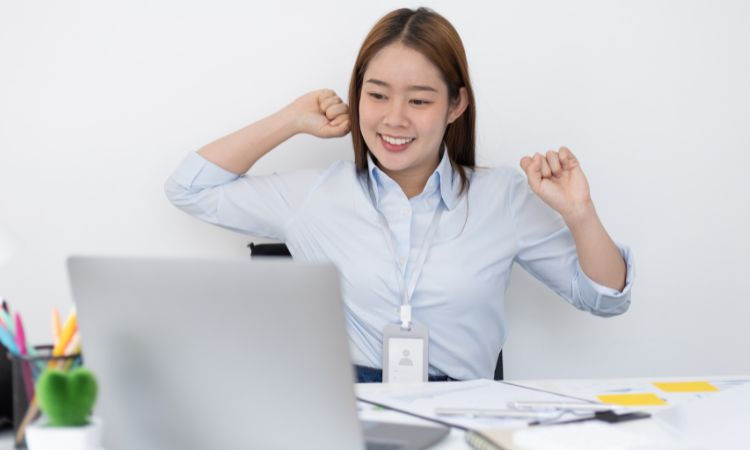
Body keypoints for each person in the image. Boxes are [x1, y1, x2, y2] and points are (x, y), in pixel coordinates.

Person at [165, 7, 633, 382]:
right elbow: (189, 187)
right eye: (378, 95)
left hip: (463, 413)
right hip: (350, 414)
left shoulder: (503, 196)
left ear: (456, 105)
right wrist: (290, 119)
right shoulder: (315, 195)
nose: (394, 119)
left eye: (420, 100)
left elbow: (606, 298)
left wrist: (580, 214)